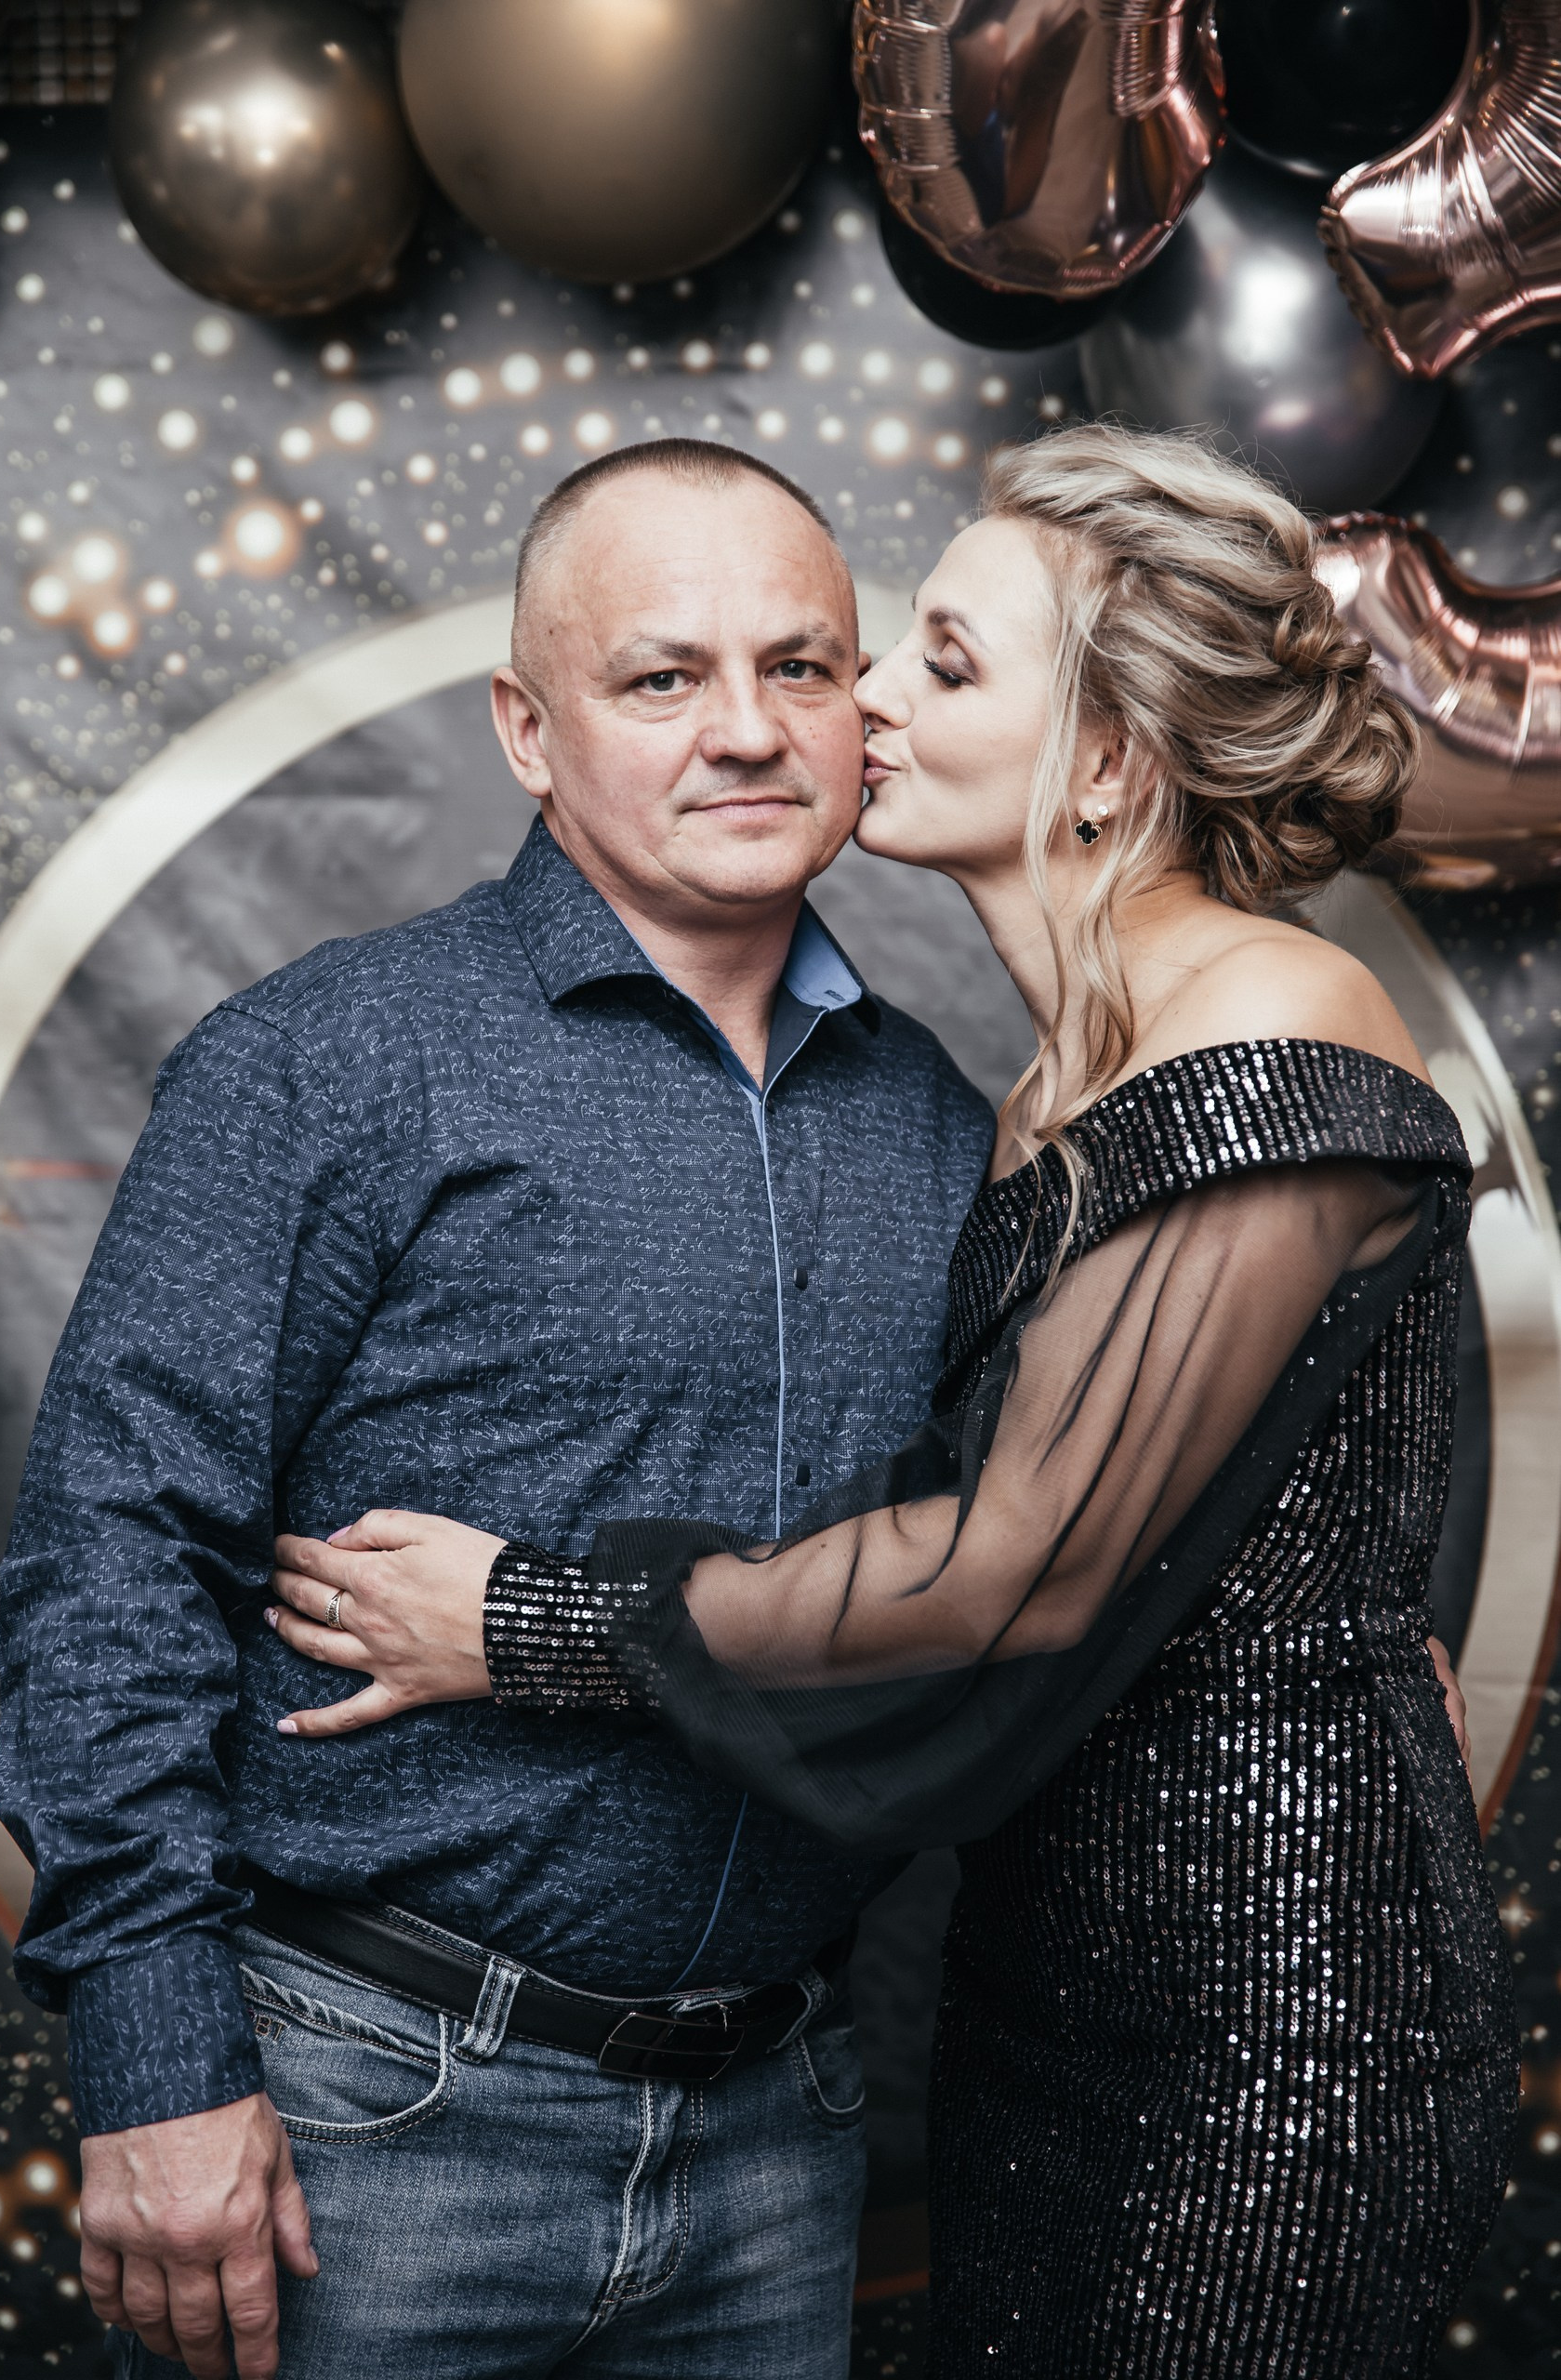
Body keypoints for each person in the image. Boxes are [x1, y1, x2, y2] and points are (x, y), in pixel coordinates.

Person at [270, 425, 1519, 2379]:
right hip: (1051, 1970)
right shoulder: (1031, 1096)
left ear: (1104, 764)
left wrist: (524, 1621)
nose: (858, 700)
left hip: (1271, 1997)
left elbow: (1011, 1565)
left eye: (941, 661)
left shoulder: (1270, 1018)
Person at [0, 441, 997, 2380]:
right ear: (529, 730)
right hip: (369, 2113)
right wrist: (154, 2059)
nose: (747, 730)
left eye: (798, 666)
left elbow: (953, 1595)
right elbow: (113, 1556)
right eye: (661, 676)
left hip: (779, 2132)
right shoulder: (327, 1060)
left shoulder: (942, 1126)